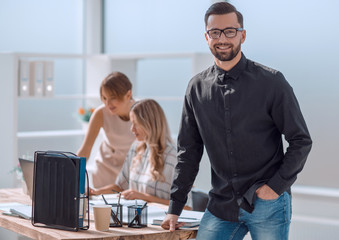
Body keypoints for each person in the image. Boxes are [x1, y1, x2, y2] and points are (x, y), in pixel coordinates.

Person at [161, 2, 312, 240]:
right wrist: (174, 208)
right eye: (215, 32)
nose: (223, 38)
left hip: (267, 203)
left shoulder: (271, 82)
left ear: (243, 35)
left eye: (230, 31)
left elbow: (301, 140)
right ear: (206, 36)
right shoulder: (196, 88)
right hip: (221, 205)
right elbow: (188, 152)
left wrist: (276, 187)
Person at [89, 99, 179, 206]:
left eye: (135, 124)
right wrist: (95, 192)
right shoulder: (136, 149)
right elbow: (120, 187)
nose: (132, 129)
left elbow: (186, 207)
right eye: (131, 123)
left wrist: (144, 197)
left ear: (149, 124)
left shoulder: (172, 156)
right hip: (135, 218)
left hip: (159, 221)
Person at [77, 72, 135, 188]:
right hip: (105, 173)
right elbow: (85, 150)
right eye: (104, 98)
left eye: (113, 98)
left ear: (128, 95)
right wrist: (70, 173)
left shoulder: (142, 111)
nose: (108, 104)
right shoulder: (100, 113)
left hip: (132, 174)